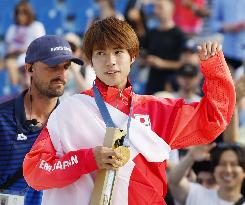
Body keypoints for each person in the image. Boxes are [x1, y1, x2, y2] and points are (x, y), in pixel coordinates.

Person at [23, 17, 235, 205]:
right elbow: (35, 172)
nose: (111, 61)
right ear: (90, 60)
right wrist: (87, 159)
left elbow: (214, 118)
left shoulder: (158, 110)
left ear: (132, 56)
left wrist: (214, 70)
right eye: (100, 53)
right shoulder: (69, 110)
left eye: (118, 52)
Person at [0, 35, 83, 205]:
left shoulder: (74, 123)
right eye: (53, 67)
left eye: (66, 67)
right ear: (30, 68)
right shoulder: (2, 118)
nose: (62, 75)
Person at [168, 143, 245, 205]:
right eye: (222, 164)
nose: (228, 170)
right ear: (215, 171)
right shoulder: (196, 194)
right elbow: (174, 182)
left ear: (243, 172)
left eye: (234, 164)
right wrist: (191, 157)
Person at [4, 0, 46, 86]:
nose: (20, 16)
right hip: (12, 57)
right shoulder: (12, 28)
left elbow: (40, 46)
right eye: (18, 13)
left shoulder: (37, 26)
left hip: (29, 56)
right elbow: (7, 48)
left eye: (24, 13)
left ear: (29, 13)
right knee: (10, 64)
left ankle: (20, 87)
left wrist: (23, 50)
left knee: (18, 65)